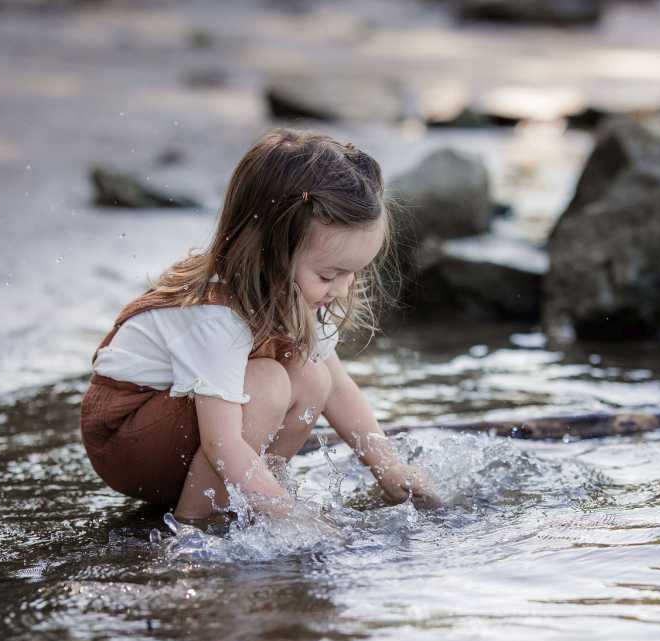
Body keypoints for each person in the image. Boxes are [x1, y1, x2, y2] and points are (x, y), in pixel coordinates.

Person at [80, 128, 440, 523]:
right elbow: (221, 443)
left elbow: (337, 387)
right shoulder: (215, 317)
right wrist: (296, 518)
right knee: (267, 383)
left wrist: (388, 467)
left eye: (352, 274)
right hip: (130, 443)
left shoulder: (297, 291)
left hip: (190, 434)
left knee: (313, 375)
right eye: (329, 274)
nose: (341, 289)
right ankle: (195, 526)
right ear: (269, 255)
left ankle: (250, 502)